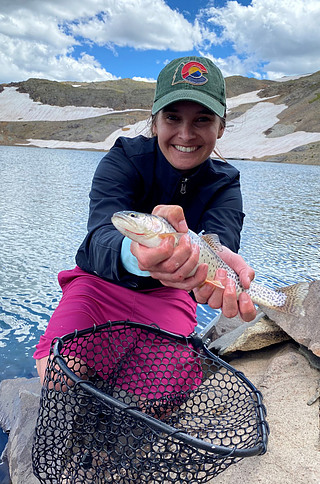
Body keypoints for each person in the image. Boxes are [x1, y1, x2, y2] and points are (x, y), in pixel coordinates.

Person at [34, 56, 256, 384]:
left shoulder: (225, 182)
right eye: (172, 117)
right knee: (59, 376)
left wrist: (219, 270)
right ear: (155, 122)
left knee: (164, 395)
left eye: (202, 120)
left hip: (170, 294)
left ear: (220, 127)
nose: (185, 133)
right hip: (99, 282)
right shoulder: (123, 158)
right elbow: (100, 235)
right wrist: (136, 255)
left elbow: (220, 239)